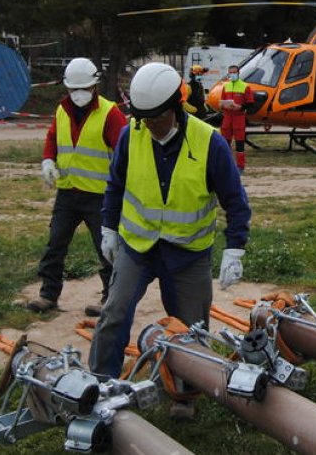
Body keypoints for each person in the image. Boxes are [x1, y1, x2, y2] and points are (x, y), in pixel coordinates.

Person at [88, 62, 251, 380]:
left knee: (192, 330)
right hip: (138, 247)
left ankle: (185, 393)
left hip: (187, 254)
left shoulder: (210, 143)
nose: (149, 125)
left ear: (176, 107)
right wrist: (108, 227)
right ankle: (99, 382)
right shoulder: (130, 136)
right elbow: (115, 185)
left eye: (156, 118)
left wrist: (235, 249)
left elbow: (235, 201)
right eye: (142, 118)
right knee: (114, 312)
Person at [28, 58, 127, 316]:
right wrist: (48, 159)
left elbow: (124, 152)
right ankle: (48, 294)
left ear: (95, 85)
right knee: (55, 243)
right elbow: (52, 137)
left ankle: (110, 298)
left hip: (99, 197)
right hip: (68, 193)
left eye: (84, 88)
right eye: (74, 89)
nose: (79, 94)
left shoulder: (110, 113)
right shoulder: (62, 110)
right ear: (67, 88)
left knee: (106, 248)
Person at [219, 64, 253, 170]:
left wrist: (240, 107)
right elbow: (222, 101)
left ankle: (240, 166)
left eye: (234, 72)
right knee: (225, 143)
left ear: (238, 73)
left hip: (239, 118)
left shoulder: (245, 86)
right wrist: (221, 105)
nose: (232, 74)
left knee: (239, 144)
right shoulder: (225, 86)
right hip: (227, 117)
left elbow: (250, 104)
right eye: (230, 72)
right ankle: (226, 166)